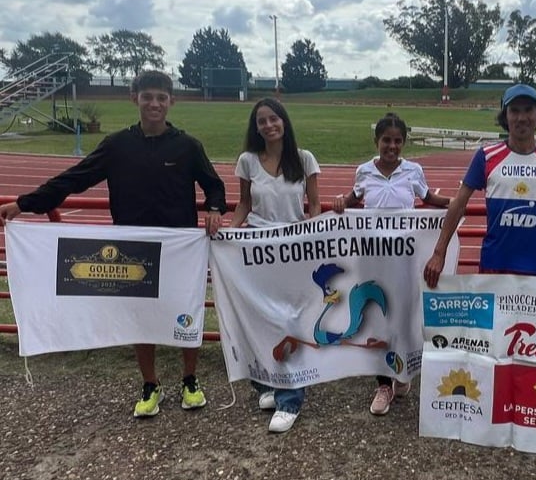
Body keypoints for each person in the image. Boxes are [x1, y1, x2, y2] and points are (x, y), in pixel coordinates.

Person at [0, 70, 226, 418]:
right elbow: (74, 178)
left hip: (180, 246)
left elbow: (214, 186)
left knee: (186, 310)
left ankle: (190, 379)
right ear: (134, 98)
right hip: (132, 246)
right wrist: (25, 202)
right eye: (147, 96)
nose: (154, 103)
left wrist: (213, 208)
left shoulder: (188, 146)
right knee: (140, 316)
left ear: (171, 102)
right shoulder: (117, 145)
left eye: (161, 98)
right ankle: (150, 384)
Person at [423, 84, 536, 295]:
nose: (521, 117)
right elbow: (458, 204)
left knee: (532, 329)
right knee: (491, 329)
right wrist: (439, 253)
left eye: (528, 110)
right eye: (514, 110)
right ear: (505, 116)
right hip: (493, 270)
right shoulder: (486, 156)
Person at [332, 112, 451, 416]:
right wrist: (341, 203)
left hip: (404, 259)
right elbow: (352, 200)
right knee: (377, 318)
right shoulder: (364, 172)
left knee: (403, 316)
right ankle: (383, 384)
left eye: (398, 141)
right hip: (371, 258)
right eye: (387, 140)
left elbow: (428, 200)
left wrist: (456, 202)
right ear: (377, 141)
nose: (392, 146)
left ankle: (403, 371)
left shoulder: (413, 171)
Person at [229, 97, 322, 432]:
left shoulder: (304, 159)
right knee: (260, 319)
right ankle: (268, 384)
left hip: (294, 250)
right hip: (257, 249)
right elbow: (243, 204)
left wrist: (312, 231)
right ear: (256, 128)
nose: (268, 125)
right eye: (261, 121)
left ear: (284, 121)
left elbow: (314, 204)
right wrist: (229, 233)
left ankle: (291, 400)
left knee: (289, 321)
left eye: (274, 119)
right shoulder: (248, 161)